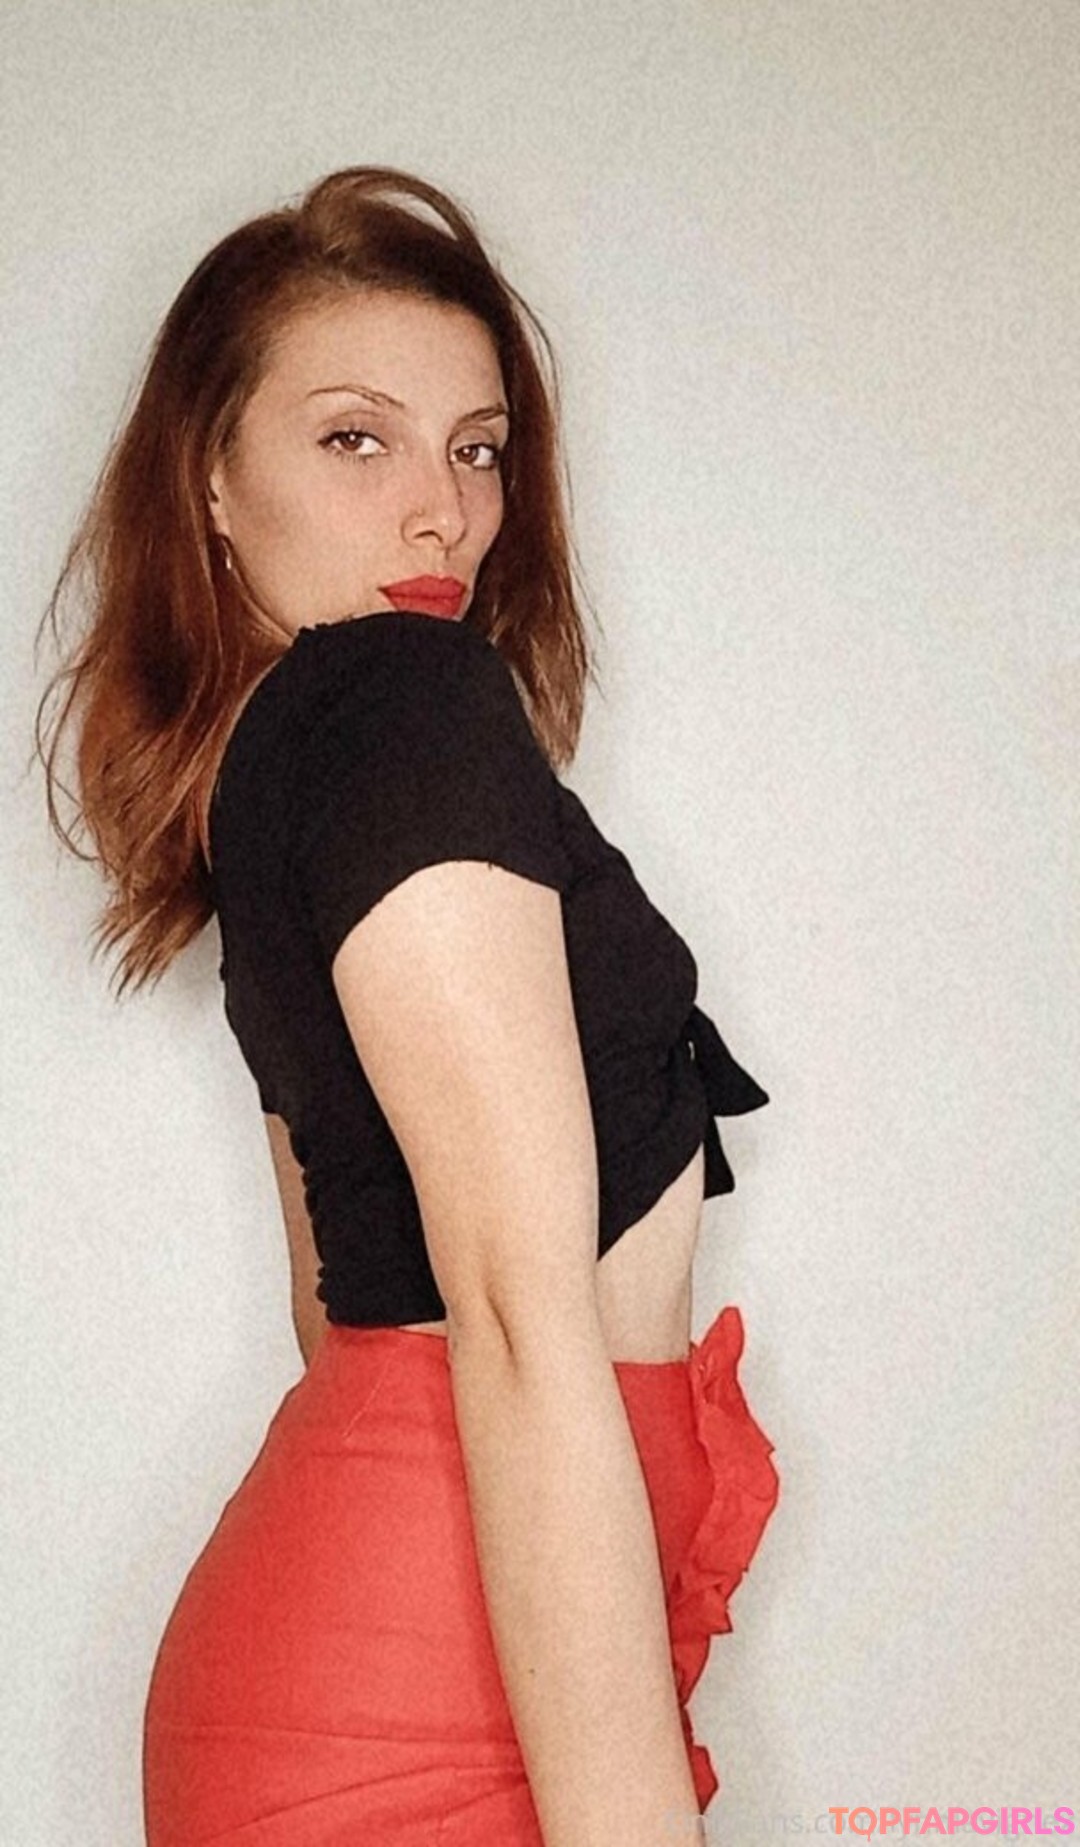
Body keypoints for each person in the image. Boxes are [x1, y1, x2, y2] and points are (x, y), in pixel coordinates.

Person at [34, 165, 781, 1846]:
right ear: (211, 477)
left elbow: (338, 1308)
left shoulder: (275, 770)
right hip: (421, 1712)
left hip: (397, 1669)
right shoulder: (396, 701)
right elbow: (511, 1316)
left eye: (479, 448)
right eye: (356, 439)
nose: (442, 510)